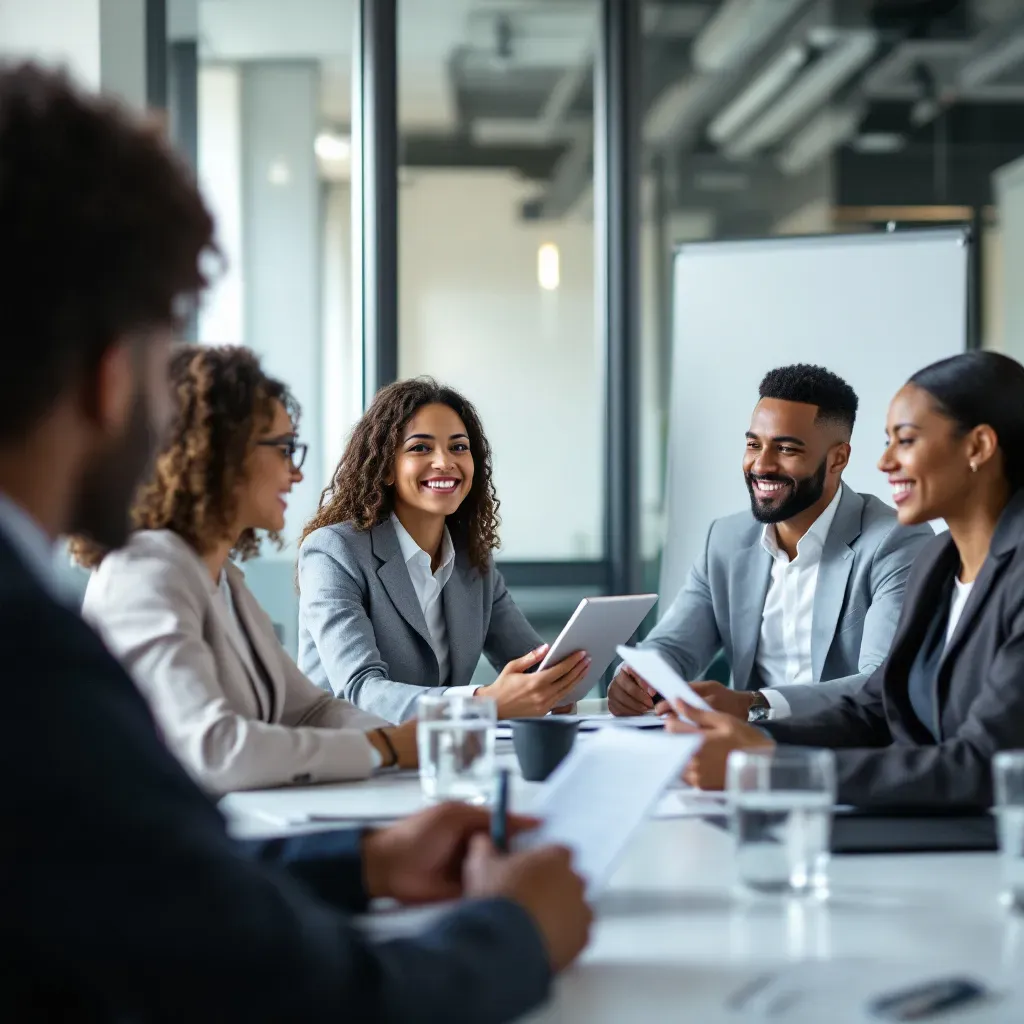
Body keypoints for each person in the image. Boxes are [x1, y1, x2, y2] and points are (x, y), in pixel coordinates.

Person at [0, 63, 591, 1022]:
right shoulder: (36, 652)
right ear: (113, 379)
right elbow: (306, 994)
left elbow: (150, 876)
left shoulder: (190, 586)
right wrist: (515, 932)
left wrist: (363, 860)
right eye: (164, 367)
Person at [665, 351, 1024, 810]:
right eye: (888, 440)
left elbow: (983, 767)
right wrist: (748, 741)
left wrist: (768, 765)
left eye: (906, 441)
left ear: (977, 448)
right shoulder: (939, 559)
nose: (885, 461)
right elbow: (877, 709)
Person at [74, 344, 421, 794]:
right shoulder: (146, 571)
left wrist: (410, 742)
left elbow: (311, 711)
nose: (295, 474)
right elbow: (214, 750)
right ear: (220, 453)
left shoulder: (222, 577)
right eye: (283, 449)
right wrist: (385, 749)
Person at [609, 364, 932, 722]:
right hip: (739, 755)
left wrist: (755, 704)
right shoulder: (726, 540)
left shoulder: (896, 540)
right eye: (753, 445)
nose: (761, 465)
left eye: (787, 449)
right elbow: (674, 646)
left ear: (837, 458)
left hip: (845, 758)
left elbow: (882, 681)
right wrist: (639, 681)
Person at [297, 378, 590, 723]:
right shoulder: (334, 551)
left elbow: (534, 664)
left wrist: (565, 684)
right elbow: (360, 691)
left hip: (436, 759)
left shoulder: (472, 560)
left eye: (459, 447)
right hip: (346, 762)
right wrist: (483, 702)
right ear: (386, 467)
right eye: (420, 448)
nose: (444, 462)